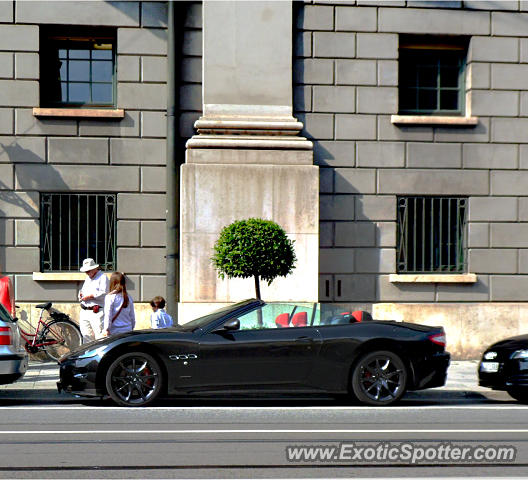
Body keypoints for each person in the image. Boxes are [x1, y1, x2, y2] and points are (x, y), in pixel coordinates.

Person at [79, 258, 109, 342]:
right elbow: (82, 290)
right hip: (85, 310)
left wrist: (90, 296)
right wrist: (81, 295)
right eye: (86, 271)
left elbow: (104, 293)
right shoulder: (88, 278)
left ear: (94, 268)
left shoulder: (103, 278)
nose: (87, 273)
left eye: (88, 271)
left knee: (100, 337)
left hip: (97, 311)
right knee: (86, 336)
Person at [103, 272, 135, 337]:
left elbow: (108, 315)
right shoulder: (128, 297)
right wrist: (132, 327)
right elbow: (132, 316)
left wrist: (106, 329)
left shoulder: (109, 297)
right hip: (127, 329)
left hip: (114, 331)